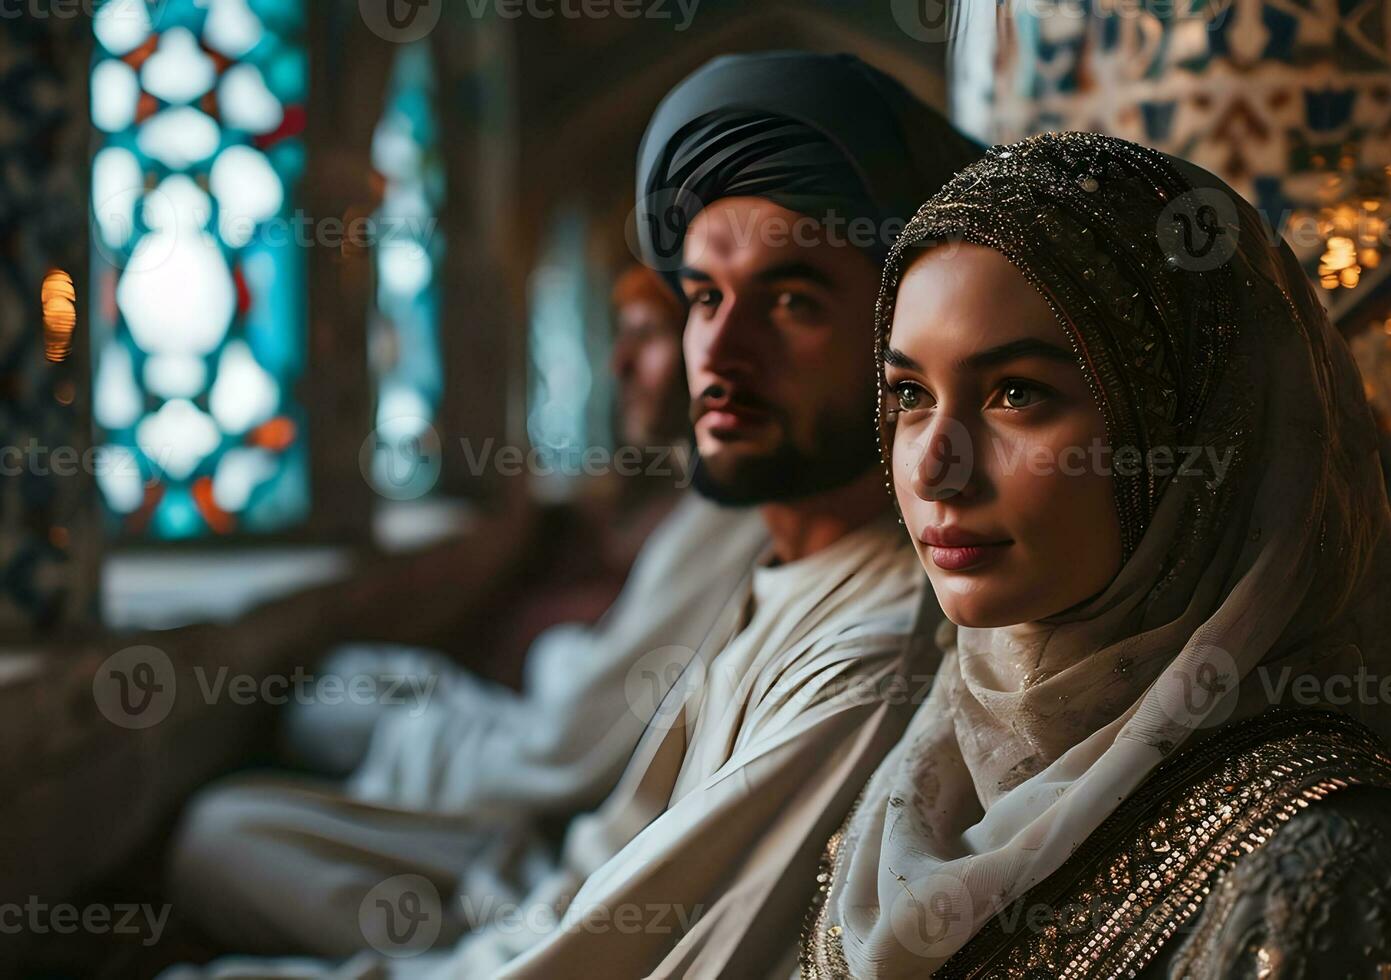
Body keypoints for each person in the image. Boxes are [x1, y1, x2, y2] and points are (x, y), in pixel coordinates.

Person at [161, 51, 983, 979]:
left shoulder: (870, 655)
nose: (720, 349)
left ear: (902, 340)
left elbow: (605, 947)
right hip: (539, 892)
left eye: (792, 299)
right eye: (704, 296)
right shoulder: (790, 551)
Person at [800, 132, 1391, 979]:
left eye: (1017, 395)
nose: (936, 464)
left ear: (1191, 434)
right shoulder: (921, 782)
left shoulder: (1335, 869)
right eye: (909, 396)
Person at [166, 266, 769, 957]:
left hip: (546, 823)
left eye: (648, 336)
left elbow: (572, 750)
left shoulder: (737, 509)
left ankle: (456, 947)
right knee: (338, 690)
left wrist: (558, 646)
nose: (621, 362)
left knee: (222, 831)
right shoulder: (700, 497)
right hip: (526, 763)